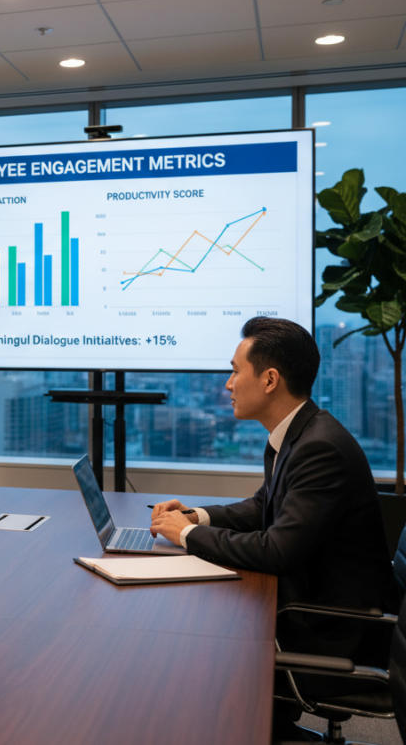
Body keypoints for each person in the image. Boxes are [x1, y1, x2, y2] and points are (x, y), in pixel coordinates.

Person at [149, 316, 399, 737]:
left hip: (333, 633)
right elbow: (263, 506)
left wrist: (186, 536)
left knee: (193, 651)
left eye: (234, 371)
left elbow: (278, 551)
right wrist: (196, 517)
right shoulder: (300, 434)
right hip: (313, 610)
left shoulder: (319, 447)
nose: (228, 384)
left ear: (269, 379)